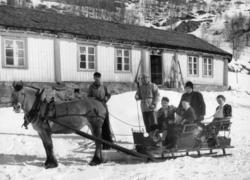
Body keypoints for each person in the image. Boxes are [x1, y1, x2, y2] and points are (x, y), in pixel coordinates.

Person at [88, 72, 113, 149]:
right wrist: (93, 99)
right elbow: (89, 96)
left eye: (98, 77)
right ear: (94, 78)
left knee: (106, 124)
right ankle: (100, 142)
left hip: (103, 106)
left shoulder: (104, 86)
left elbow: (108, 94)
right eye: (95, 77)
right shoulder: (91, 87)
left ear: (100, 78)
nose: (97, 79)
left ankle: (108, 142)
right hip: (95, 107)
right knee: (98, 125)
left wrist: (106, 98)